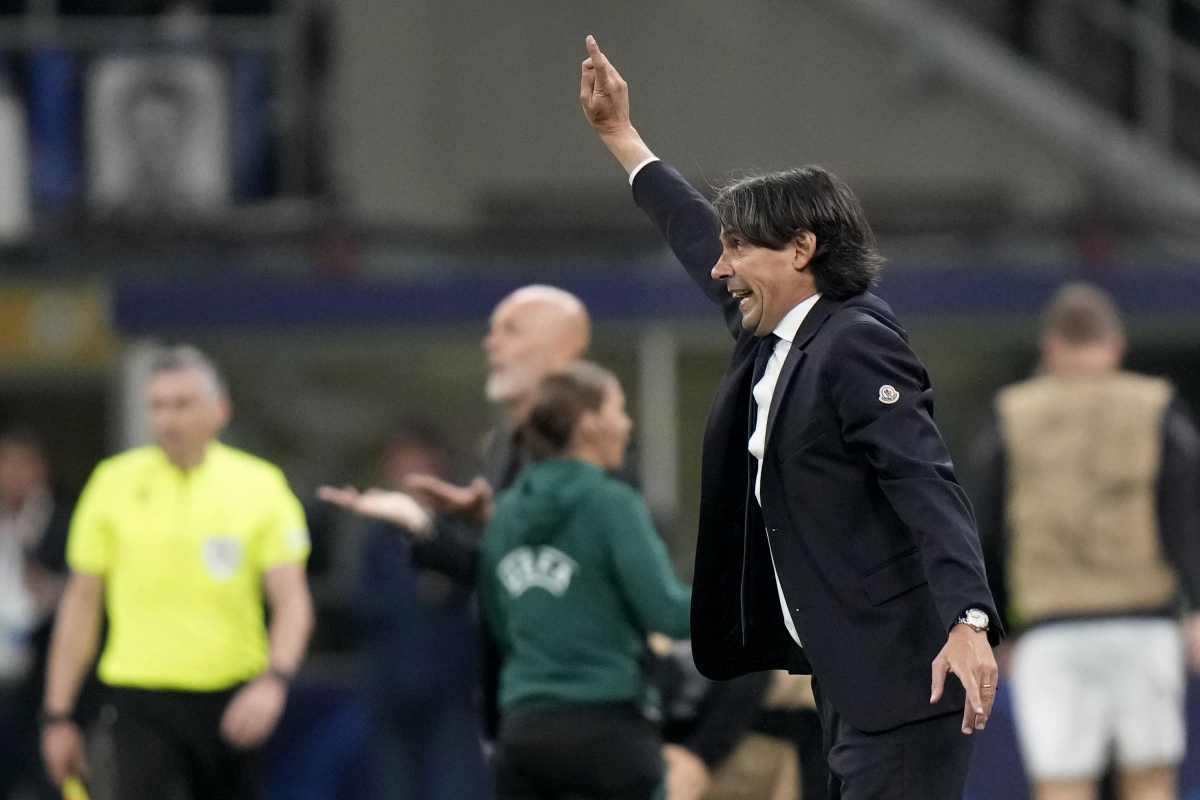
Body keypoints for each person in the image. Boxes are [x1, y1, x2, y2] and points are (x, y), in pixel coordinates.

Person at [580, 34, 1001, 800]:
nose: (721, 267)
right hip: (845, 679)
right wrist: (623, 139)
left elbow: (925, 485)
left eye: (739, 248)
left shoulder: (856, 343)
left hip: (906, 680)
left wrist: (970, 620)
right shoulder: (773, 332)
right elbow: (692, 234)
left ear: (802, 248)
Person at [323, 361, 691, 800]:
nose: (627, 424)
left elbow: (498, 616)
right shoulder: (614, 503)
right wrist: (746, 598)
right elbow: (667, 613)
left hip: (524, 733)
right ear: (589, 424)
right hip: (609, 728)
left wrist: (425, 530)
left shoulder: (507, 510)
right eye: (618, 410)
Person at [40, 345, 314, 799]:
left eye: (183, 404)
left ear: (219, 410)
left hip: (230, 702)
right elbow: (80, 606)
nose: (168, 420)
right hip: (138, 701)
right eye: (158, 406)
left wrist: (275, 681)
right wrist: (57, 714)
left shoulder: (259, 486)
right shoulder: (112, 483)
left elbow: (292, 600)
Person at [971, 283, 1200, 800]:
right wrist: (1195, 608)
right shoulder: (1157, 407)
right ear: (1116, 344)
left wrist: (996, 628)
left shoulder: (1012, 415)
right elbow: (1183, 518)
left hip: (1052, 632)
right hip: (1145, 624)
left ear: (1051, 347)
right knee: (1150, 778)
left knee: (1062, 783)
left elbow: (987, 532)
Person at [354, 424, 491, 800]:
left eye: (417, 466)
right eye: (400, 466)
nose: (407, 475)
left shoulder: (459, 531)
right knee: (394, 785)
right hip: (391, 686)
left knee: (455, 785)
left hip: (451, 688)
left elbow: (478, 593)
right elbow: (363, 605)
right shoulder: (378, 538)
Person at [0, 430, 71, 800]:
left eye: (20, 464)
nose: (11, 474)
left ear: (40, 468)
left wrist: (49, 586)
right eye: (4, 464)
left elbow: (81, 592)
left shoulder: (65, 520)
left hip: (44, 672)